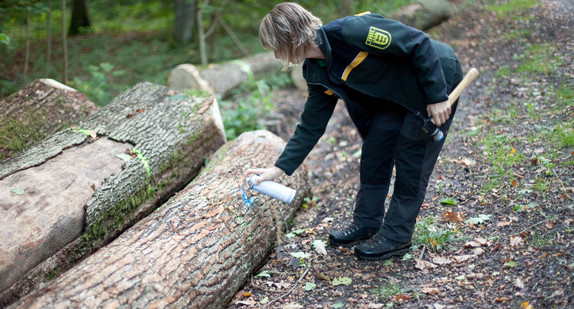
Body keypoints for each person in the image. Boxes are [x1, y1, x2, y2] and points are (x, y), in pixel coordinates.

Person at [245, 2, 463, 261]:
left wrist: (437, 95)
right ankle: (367, 222)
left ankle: (396, 236)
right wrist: (278, 168)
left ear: (291, 37)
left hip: (436, 77)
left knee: (411, 160)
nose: (276, 55)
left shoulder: (353, 31)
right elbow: (311, 125)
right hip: (396, 96)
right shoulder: (315, 71)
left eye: (275, 47)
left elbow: (418, 43)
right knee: (375, 150)